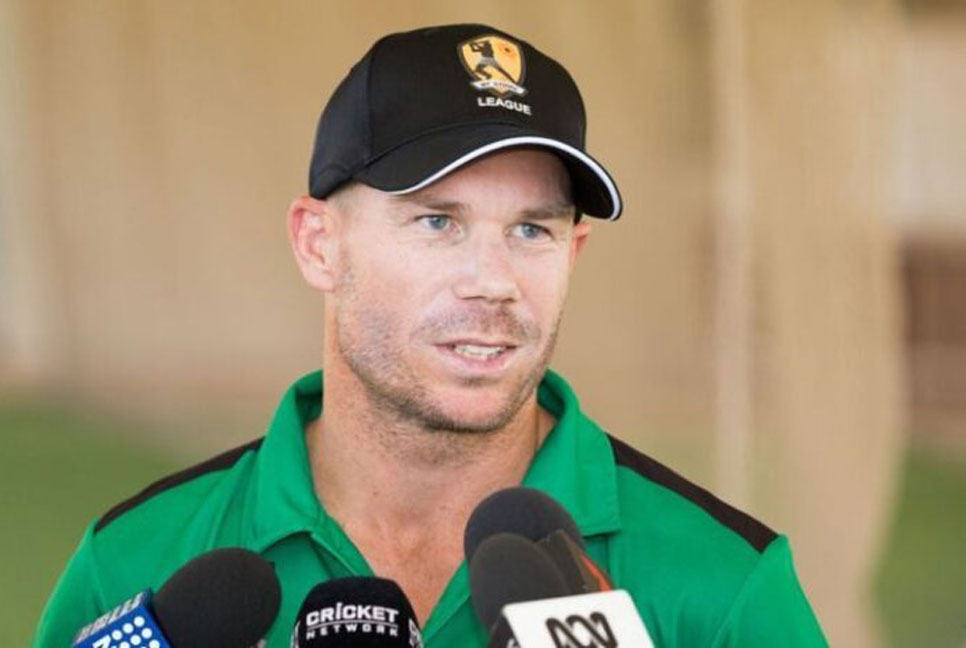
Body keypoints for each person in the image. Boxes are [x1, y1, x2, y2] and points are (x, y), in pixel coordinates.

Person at [33, 24, 826, 647]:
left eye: (532, 230)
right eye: (438, 222)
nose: (494, 280)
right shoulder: (135, 567)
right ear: (318, 244)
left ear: (574, 252)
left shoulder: (724, 586)